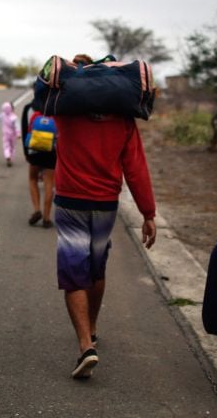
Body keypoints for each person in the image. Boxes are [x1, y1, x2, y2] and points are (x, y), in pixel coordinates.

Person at [52, 109, 158, 379]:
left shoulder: (67, 112)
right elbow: (135, 168)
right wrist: (148, 213)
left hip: (70, 200)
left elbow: (43, 88)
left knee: (74, 270)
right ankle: (93, 328)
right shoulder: (122, 118)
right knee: (96, 267)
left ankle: (86, 345)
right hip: (105, 203)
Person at [21, 101, 56, 227]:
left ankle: (37, 210)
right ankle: (46, 218)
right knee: (49, 183)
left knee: (32, 179)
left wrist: (26, 153)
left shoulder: (32, 110)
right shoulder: (56, 108)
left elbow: (26, 131)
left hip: (35, 150)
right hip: (51, 151)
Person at [0, 100, 20, 168]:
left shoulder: (3, 115)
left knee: (6, 146)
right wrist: (18, 134)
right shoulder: (14, 117)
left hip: (5, 134)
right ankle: (10, 157)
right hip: (13, 135)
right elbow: (17, 126)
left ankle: (7, 156)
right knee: (12, 147)